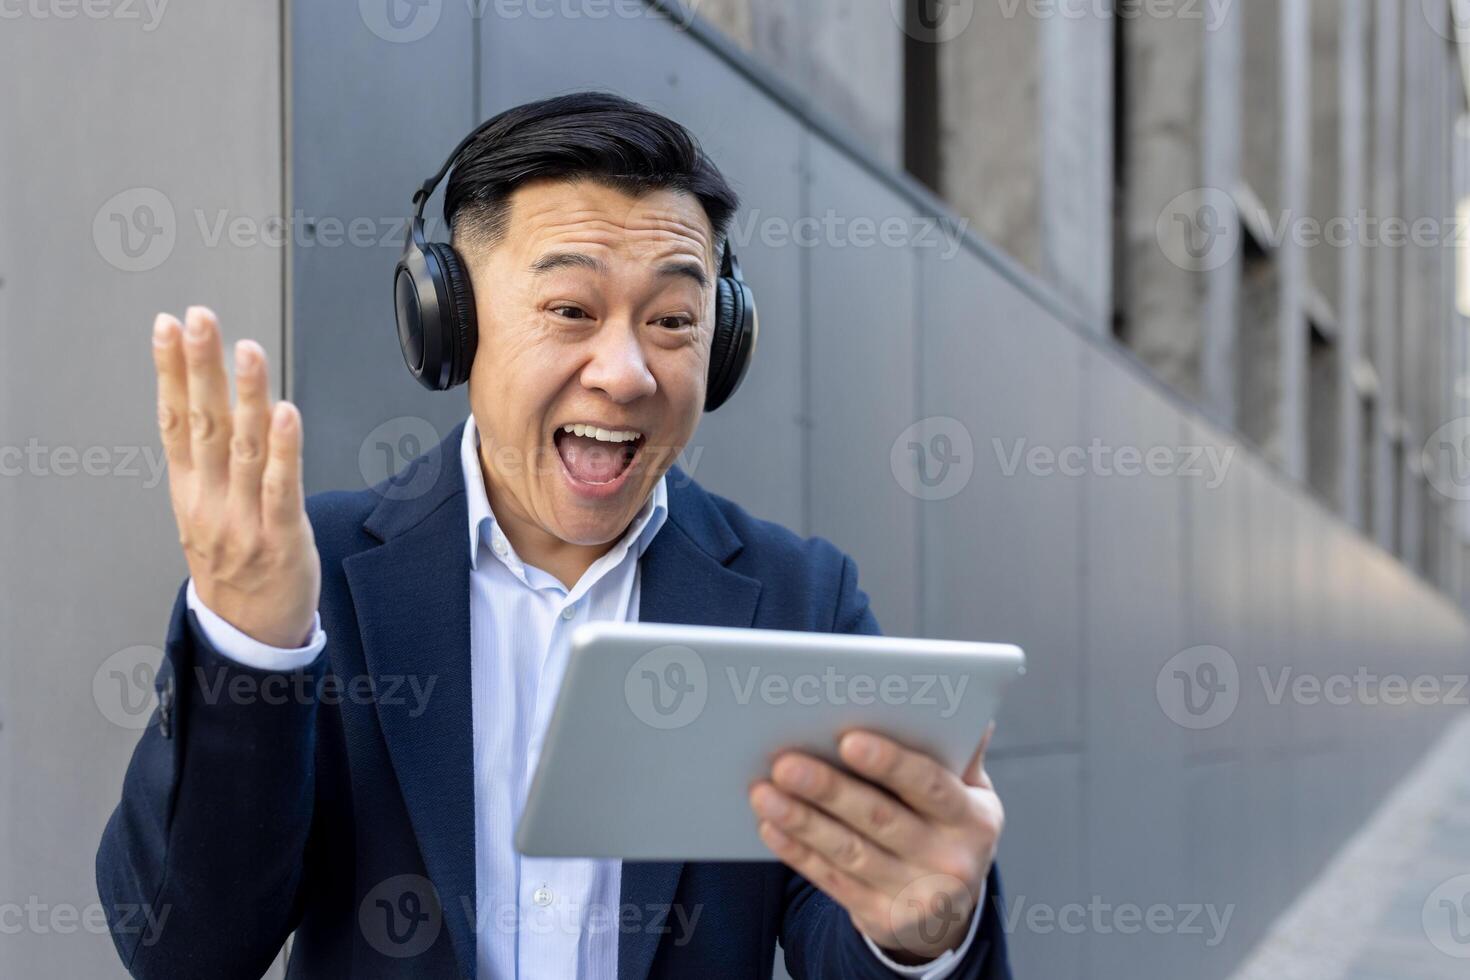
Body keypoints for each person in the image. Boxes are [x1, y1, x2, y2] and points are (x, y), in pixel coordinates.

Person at [96, 90, 1012, 980]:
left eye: (673, 322)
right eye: (571, 310)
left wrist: (921, 936)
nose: (626, 374)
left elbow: (841, 929)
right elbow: (184, 952)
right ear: (448, 322)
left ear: (721, 345)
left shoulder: (799, 599)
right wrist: (253, 651)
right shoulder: (317, 578)